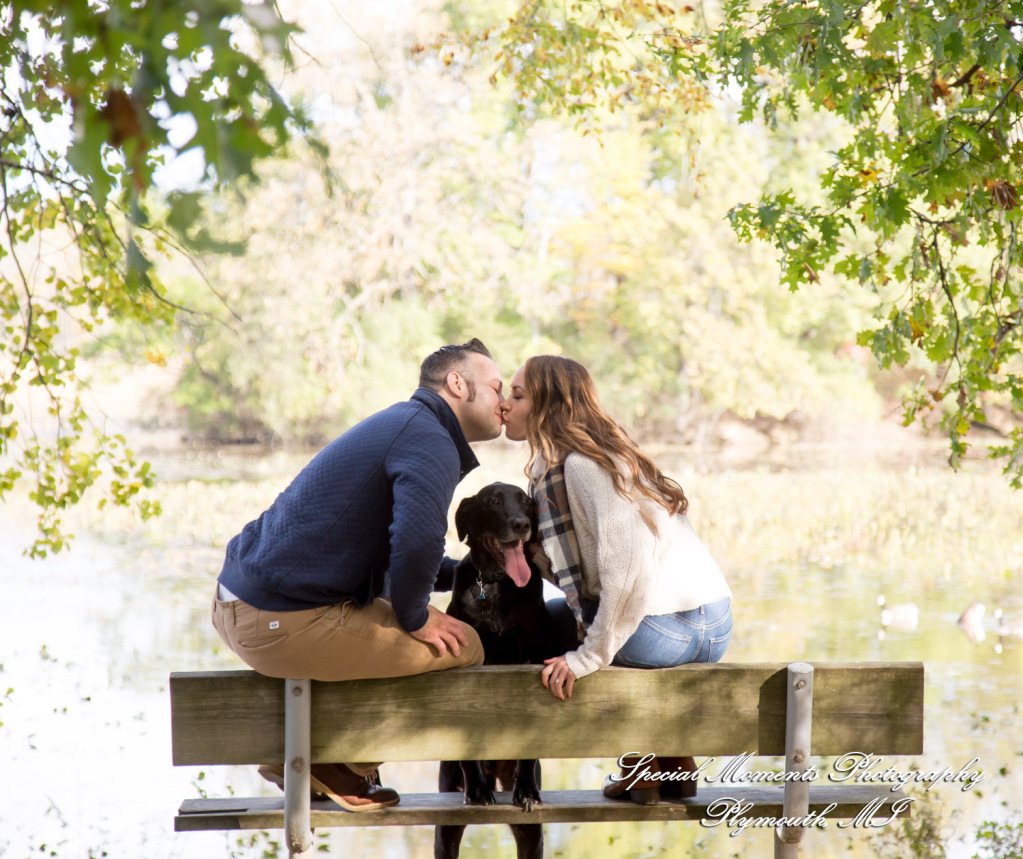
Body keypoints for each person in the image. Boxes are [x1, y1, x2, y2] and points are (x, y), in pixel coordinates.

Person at [212, 338, 504, 811]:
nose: (505, 401)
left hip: (245, 602)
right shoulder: (430, 438)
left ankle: (316, 756)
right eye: (495, 388)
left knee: (395, 623)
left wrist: (458, 574)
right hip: (279, 621)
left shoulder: (404, 422)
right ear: (457, 383)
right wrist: (415, 617)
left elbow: (387, 548)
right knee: (464, 645)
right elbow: (416, 541)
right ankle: (340, 766)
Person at [500, 354, 733, 803]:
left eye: (518, 394)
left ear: (548, 404)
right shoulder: (595, 457)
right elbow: (583, 570)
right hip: (713, 620)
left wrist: (590, 657)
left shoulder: (584, 467)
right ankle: (673, 762)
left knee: (545, 631)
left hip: (664, 626)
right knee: (561, 616)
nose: (506, 404)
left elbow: (628, 572)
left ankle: (637, 763)